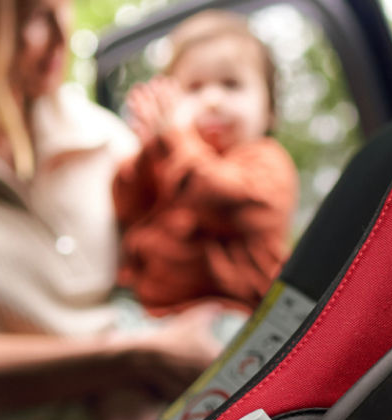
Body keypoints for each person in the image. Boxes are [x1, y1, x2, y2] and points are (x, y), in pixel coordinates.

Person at [0, 0, 224, 420]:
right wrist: (138, 356)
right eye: (36, 19)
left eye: (64, 8)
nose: (64, 35)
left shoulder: (104, 137)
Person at [112, 10, 298, 319]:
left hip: (238, 321)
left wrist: (175, 138)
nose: (212, 99)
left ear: (270, 110)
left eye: (231, 84)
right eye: (194, 88)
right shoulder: (169, 156)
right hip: (152, 319)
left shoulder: (268, 160)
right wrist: (152, 149)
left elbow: (223, 201)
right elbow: (126, 204)